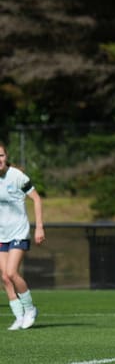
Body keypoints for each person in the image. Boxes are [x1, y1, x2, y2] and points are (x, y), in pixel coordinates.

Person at [0, 141, 44, 330]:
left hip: (19, 231)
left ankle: (30, 308)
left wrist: (39, 227)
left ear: (6, 156)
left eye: (1, 155)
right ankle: (19, 316)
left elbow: (36, 199)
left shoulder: (17, 176)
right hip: (2, 233)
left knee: (11, 272)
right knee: (4, 277)